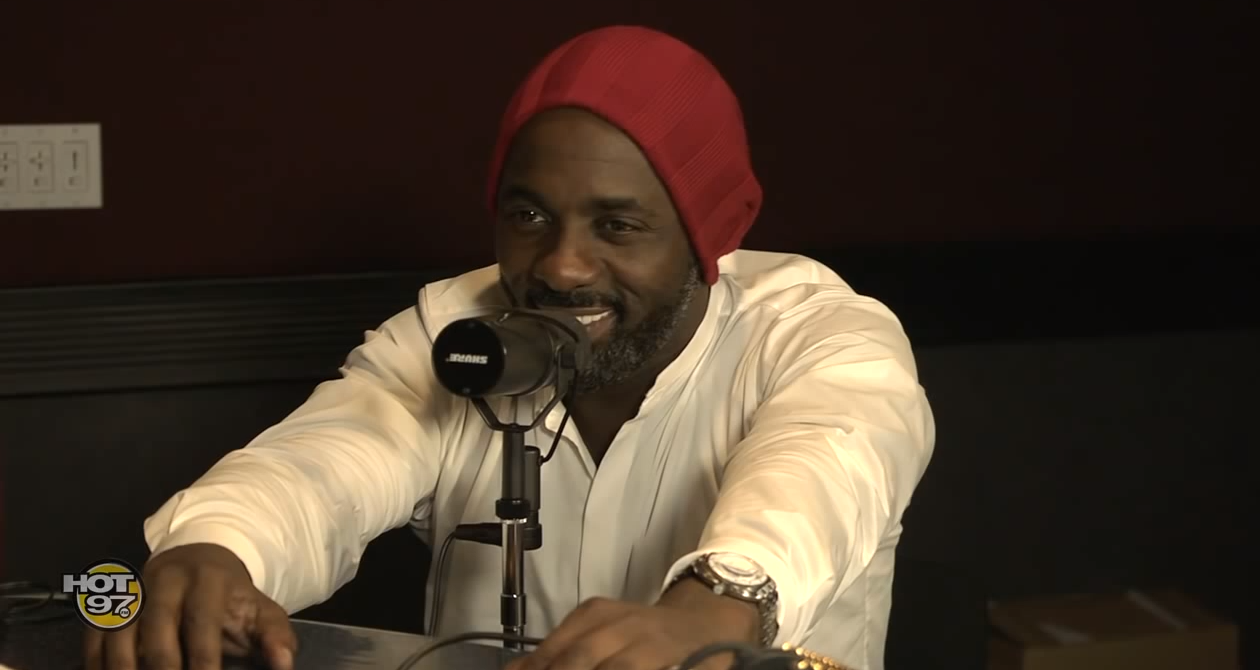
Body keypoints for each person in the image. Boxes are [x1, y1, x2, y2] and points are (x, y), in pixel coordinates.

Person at [84, 25, 935, 670]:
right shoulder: (457, 329)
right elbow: (321, 464)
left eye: (617, 226)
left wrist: (712, 611)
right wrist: (218, 546)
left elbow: (826, 464)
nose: (561, 266)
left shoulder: (823, 336)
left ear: (706, 237)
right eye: (529, 216)